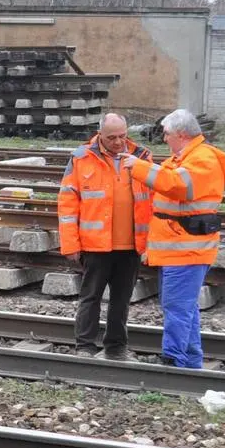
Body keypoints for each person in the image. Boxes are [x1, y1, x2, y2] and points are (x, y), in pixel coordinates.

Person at [123, 109, 225, 369]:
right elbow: (169, 179)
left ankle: (175, 361)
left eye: (166, 134)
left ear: (181, 134)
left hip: (187, 250)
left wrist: (139, 167)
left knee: (177, 306)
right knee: (181, 307)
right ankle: (189, 362)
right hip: (179, 248)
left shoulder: (203, 158)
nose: (164, 139)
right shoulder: (186, 157)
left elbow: (179, 186)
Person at [58, 113, 154, 359]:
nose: (118, 142)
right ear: (100, 134)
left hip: (131, 245)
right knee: (90, 297)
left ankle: (116, 346)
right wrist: (70, 244)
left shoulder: (141, 156)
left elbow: (153, 200)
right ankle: (85, 346)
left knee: (121, 300)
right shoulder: (81, 158)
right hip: (95, 245)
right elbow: (67, 205)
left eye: (122, 136)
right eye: (112, 137)